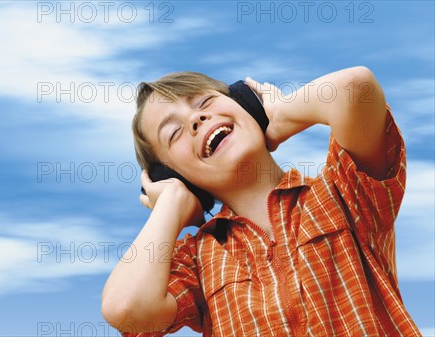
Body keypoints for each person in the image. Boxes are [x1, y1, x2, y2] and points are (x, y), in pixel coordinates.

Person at [101, 67, 421, 336]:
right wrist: (170, 202)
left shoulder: (343, 191)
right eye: (174, 133)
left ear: (248, 104)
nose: (197, 119)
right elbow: (126, 308)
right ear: (172, 175)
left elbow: (356, 88)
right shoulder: (198, 261)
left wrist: (282, 116)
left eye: (205, 102)